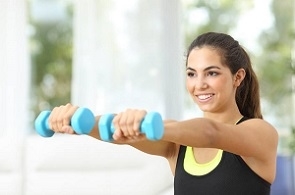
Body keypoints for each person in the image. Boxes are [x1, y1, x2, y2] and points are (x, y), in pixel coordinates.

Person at [47, 32, 278, 195]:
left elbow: (211, 133)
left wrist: (149, 125)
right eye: (191, 74)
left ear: (238, 77)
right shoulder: (177, 145)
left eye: (211, 73)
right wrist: (80, 122)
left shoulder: (260, 133)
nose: (199, 85)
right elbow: (115, 132)